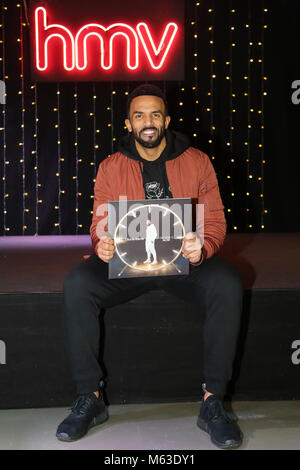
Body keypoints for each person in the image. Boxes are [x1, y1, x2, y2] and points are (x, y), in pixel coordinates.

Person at [56, 84, 244, 449]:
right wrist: (103, 242)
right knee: (78, 284)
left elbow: (216, 221)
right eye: (139, 115)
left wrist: (201, 247)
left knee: (228, 282)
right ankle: (89, 398)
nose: (148, 122)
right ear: (129, 123)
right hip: (128, 266)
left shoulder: (197, 160)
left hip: (183, 264)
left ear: (167, 120)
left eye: (155, 114)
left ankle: (213, 402)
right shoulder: (111, 166)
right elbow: (98, 221)